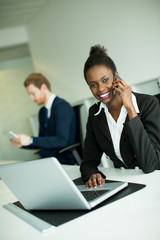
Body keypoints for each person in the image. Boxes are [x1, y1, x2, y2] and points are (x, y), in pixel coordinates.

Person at [80, 45, 160, 187]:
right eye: (93, 84)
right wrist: (92, 174)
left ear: (116, 76)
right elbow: (88, 162)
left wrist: (130, 110)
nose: (100, 89)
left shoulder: (148, 104)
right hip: (126, 183)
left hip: (154, 182)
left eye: (105, 80)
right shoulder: (95, 114)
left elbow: (150, 165)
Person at [10, 73, 76, 165]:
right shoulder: (42, 111)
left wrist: (31, 140)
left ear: (44, 88)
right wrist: (22, 143)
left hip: (62, 160)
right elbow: (42, 141)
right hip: (48, 159)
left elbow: (61, 140)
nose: (31, 98)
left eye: (33, 93)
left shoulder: (62, 107)